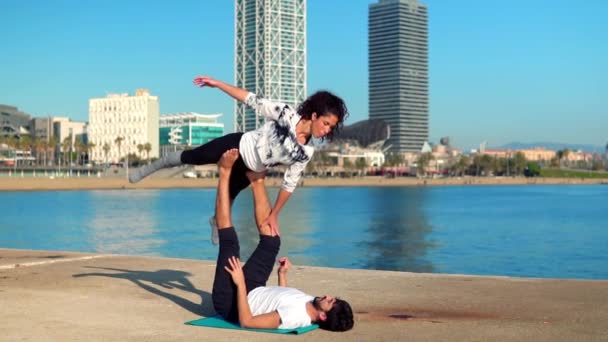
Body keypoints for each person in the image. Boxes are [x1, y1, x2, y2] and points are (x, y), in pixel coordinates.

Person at [129, 76, 349, 243]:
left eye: (331, 127)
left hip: (251, 169)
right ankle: (157, 164)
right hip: (237, 144)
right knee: (194, 157)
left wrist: (274, 215)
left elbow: (289, 184)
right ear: (314, 116)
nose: (326, 130)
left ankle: (216, 220)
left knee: (229, 196)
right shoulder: (285, 114)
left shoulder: (305, 152)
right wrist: (217, 84)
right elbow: (250, 99)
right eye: (326, 123)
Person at [211, 149, 354, 331]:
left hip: (231, 301)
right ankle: (256, 179)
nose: (327, 296)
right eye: (332, 297)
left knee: (230, 241)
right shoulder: (312, 303)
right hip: (254, 288)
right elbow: (283, 298)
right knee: (272, 241)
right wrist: (282, 275)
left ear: (323, 315)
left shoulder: (295, 317)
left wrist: (239, 283)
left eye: (330, 301)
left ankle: (223, 172)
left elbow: (247, 322)